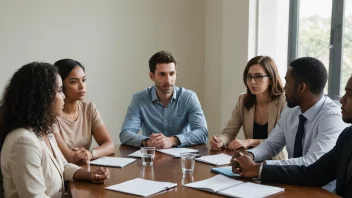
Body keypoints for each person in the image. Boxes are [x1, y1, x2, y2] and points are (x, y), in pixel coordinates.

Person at [230, 57, 348, 191]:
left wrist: (258, 167)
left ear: (302, 87)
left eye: (287, 82)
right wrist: (249, 156)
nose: (284, 87)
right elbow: (272, 144)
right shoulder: (291, 109)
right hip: (291, 184)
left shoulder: (332, 118)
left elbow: (310, 163)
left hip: (321, 191)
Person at [0, 62, 109, 197]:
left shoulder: (43, 130)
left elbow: (63, 166)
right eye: (59, 91)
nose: (63, 96)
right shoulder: (23, 141)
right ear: (41, 97)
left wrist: (89, 175)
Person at [120, 51, 208, 148]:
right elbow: (125, 134)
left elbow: (202, 132)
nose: (168, 80)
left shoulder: (189, 98)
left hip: (182, 159)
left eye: (172, 74)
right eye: (162, 74)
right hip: (152, 158)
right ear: (151, 76)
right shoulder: (139, 99)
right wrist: (147, 142)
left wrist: (173, 140)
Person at [211, 56, 288, 160]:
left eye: (259, 76)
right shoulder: (243, 100)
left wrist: (249, 141)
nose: (252, 82)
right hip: (249, 160)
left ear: (271, 79)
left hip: (275, 162)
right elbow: (229, 132)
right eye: (249, 76)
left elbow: (281, 140)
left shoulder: (284, 101)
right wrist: (220, 141)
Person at [53, 59, 114, 165]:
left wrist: (90, 153)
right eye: (74, 82)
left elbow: (110, 145)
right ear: (60, 85)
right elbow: (69, 158)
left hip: (85, 168)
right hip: (65, 174)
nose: (82, 86)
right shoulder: (52, 115)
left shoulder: (89, 108)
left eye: (84, 80)